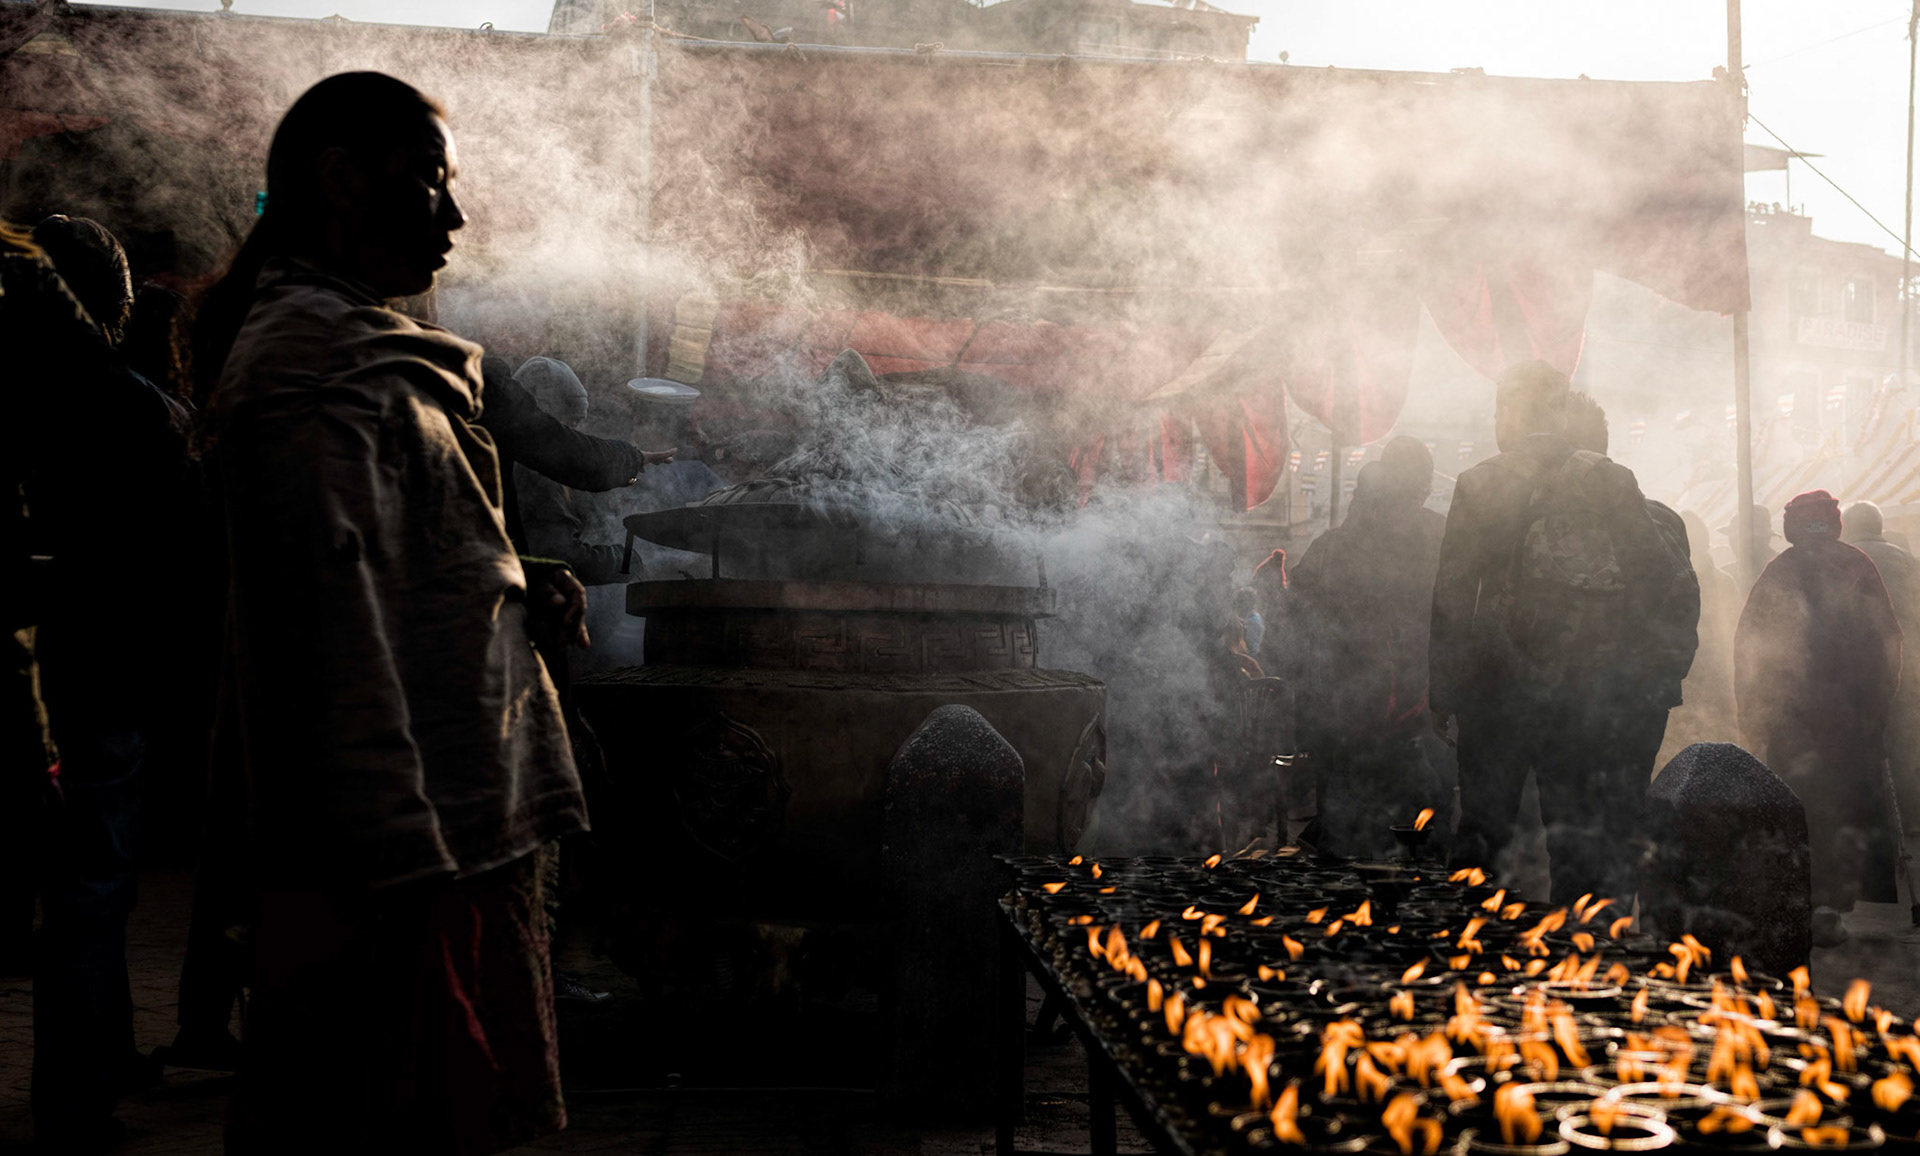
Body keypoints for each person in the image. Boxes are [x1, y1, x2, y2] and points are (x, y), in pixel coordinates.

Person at [190, 72, 588, 1153]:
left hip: (440, 835)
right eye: (427, 182)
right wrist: (401, 871)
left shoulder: (362, 354)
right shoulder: (309, 370)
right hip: (391, 859)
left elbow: (402, 563)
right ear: (341, 183)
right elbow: (324, 642)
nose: (454, 217)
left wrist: (513, 579)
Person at [13, 214, 190, 1151]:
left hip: (47, 663)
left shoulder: (26, 391)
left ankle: (104, 1056)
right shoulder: (127, 403)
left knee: (85, 884)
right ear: (109, 302)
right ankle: (74, 1099)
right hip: (100, 670)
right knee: (90, 888)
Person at [1430, 362, 1683, 903]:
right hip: (1588, 693)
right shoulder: (1610, 478)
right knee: (1576, 839)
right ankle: (1580, 967)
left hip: (1496, 689)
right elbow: (1659, 576)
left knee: (1483, 832)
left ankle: (1465, 956)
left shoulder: (1480, 482)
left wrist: (1444, 691)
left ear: (1510, 412)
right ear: (1562, 411)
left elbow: (1453, 598)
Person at [1736, 490, 1901, 946]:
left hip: (1794, 717)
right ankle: (1828, 905)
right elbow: (1887, 640)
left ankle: (1805, 902)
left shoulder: (1780, 570)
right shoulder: (1857, 565)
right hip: (1849, 717)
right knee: (1842, 808)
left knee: (1799, 806)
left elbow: (1750, 646)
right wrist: (1879, 704)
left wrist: (1753, 711)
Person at [1289, 444, 1446, 859]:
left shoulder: (1339, 544)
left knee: (1357, 818)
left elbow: (1295, 611)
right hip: (1383, 702)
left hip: (1378, 703)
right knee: (1395, 821)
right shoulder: (1435, 535)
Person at [1844, 501, 1920, 878]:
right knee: (1906, 739)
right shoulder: (1907, 560)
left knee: (1871, 743)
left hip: (1867, 668)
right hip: (1910, 664)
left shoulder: (1849, 559)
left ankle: (1879, 828)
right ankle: (1910, 814)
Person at [1234, 587, 1265, 657]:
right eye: (1239, 601)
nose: (1239, 604)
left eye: (1242, 601)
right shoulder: (1249, 618)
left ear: (1250, 602)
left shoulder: (1253, 621)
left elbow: (1253, 648)